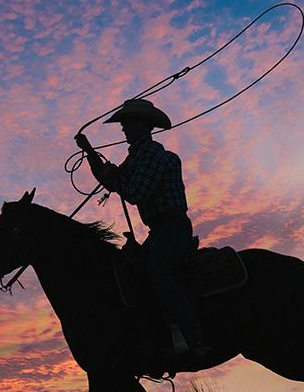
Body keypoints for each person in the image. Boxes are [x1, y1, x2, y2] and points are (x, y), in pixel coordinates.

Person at [75, 99, 209, 360]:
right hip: (158, 230)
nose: (123, 128)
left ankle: (195, 341)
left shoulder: (155, 155)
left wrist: (115, 177)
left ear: (143, 125)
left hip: (172, 227)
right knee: (132, 271)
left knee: (159, 271)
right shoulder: (136, 157)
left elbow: (134, 192)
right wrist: (90, 152)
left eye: (127, 122)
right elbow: (111, 181)